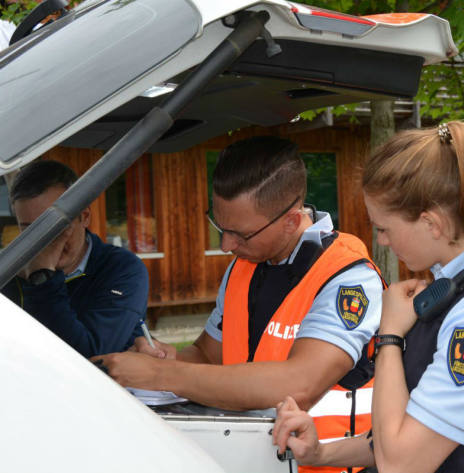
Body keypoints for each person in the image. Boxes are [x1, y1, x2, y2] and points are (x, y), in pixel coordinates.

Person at [272, 121, 464, 473]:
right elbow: (409, 429)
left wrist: (390, 337)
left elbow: (401, 463)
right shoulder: (462, 286)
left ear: (432, 224)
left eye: (384, 228)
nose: (381, 241)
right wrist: (321, 453)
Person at [95, 136, 384, 461]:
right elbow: (208, 353)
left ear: (291, 221)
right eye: (219, 226)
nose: (226, 245)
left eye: (240, 234)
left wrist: (159, 376)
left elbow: (300, 384)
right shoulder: (244, 266)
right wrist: (165, 357)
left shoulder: (347, 277)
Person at [1, 160, 149, 358]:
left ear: (85, 216)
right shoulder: (10, 271)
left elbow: (87, 356)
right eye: (29, 229)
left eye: (54, 226)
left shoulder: (122, 268)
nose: (44, 240)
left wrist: (42, 278)